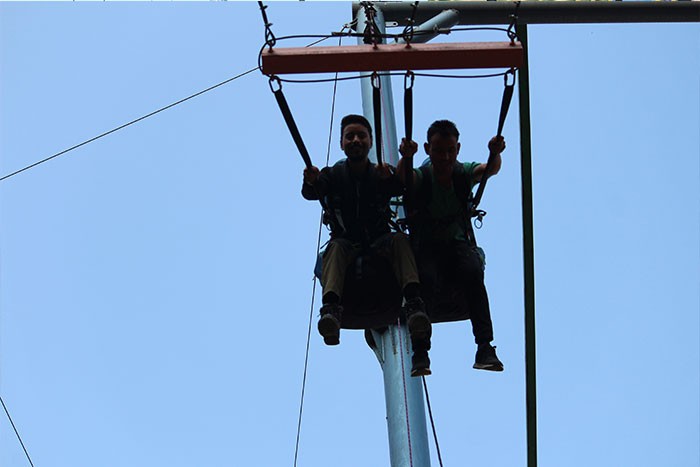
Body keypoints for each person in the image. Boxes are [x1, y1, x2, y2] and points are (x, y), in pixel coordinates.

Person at [302, 114, 431, 376]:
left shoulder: (379, 173)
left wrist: (404, 160)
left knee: (399, 241)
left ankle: (414, 301)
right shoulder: (333, 174)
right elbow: (311, 192)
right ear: (341, 143)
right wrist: (311, 180)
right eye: (350, 136)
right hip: (348, 242)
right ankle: (331, 309)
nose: (355, 140)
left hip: (379, 241)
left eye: (361, 136)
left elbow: (401, 187)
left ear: (370, 142)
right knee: (335, 249)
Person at [398, 119, 505, 371]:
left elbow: (489, 170)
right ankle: (420, 350)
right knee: (424, 277)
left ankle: (484, 346)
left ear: (457, 149)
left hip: (456, 244)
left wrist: (494, 153)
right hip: (427, 245)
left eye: (450, 151)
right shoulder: (422, 176)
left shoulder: (462, 173)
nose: (445, 157)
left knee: (473, 271)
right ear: (428, 149)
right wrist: (406, 157)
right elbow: (403, 178)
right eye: (438, 151)